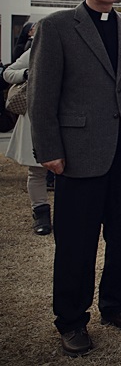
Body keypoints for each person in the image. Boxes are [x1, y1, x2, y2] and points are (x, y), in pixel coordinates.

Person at [28, 0, 121, 357]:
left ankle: (115, 306)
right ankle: (71, 320)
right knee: (75, 244)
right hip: (77, 153)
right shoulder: (57, 27)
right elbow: (41, 95)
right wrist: (48, 149)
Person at [3, 33, 51, 235]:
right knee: (36, 170)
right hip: (35, 116)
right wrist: (27, 74)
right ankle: (41, 213)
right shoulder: (36, 50)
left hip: (68, 117)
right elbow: (8, 73)